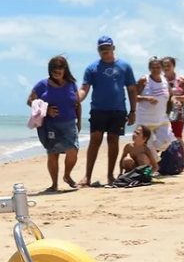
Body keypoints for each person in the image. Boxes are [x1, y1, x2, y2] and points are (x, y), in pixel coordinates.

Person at [77, 36, 137, 186]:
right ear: (98, 50)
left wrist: (133, 110)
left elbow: (131, 89)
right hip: (98, 109)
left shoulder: (125, 66)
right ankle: (87, 176)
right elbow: (84, 88)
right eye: (101, 48)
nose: (105, 50)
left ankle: (110, 175)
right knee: (95, 140)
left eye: (107, 47)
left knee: (113, 141)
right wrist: (76, 99)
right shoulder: (92, 68)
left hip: (118, 110)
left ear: (113, 48)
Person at [27, 55, 81, 192]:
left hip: (69, 123)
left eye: (59, 71)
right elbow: (30, 101)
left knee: (73, 151)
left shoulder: (71, 84)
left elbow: (77, 104)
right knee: (53, 153)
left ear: (65, 70)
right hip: (50, 124)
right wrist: (46, 109)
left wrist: (79, 121)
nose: (56, 74)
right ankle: (54, 184)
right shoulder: (42, 85)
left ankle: (67, 175)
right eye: (53, 71)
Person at [135, 57, 175, 152]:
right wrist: (146, 98)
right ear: (149, 68)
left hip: (161, 120)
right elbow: (134, 97)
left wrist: (174, 102)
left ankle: (154, 152)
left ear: (161, 68)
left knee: (167, 141)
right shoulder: (144, 80)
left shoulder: (165, 81)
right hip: (145, 120)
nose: (156, 70)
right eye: (153, 67)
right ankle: (151, 162)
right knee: (146, 149)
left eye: (158, 67)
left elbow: (170, 97)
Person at [161, 56, 184, 158]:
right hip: (161, 113)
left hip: (177, 112)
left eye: (168, 65)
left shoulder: (182, 80)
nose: (166, 68)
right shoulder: (159, 80)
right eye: (164, 66)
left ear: (173, 66)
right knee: (162, 137)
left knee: (177, 137)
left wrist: (177, 98)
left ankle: (182, 160)